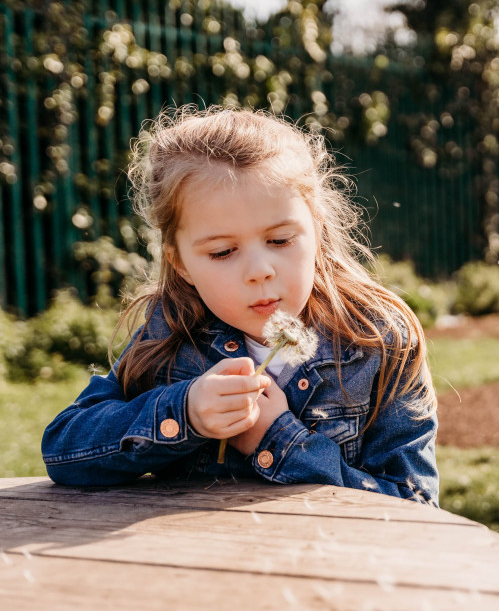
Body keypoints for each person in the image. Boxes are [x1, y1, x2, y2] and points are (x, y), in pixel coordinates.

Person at [42, 106, 439, 505]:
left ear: (316, 229)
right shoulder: (171, 330)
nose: (259, 270)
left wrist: (281, 441)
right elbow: (64, 448)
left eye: (280, 241)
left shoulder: (379, 343)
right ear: (180, 262)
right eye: (222, 251)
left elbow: (416, 505)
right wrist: (185, 412)